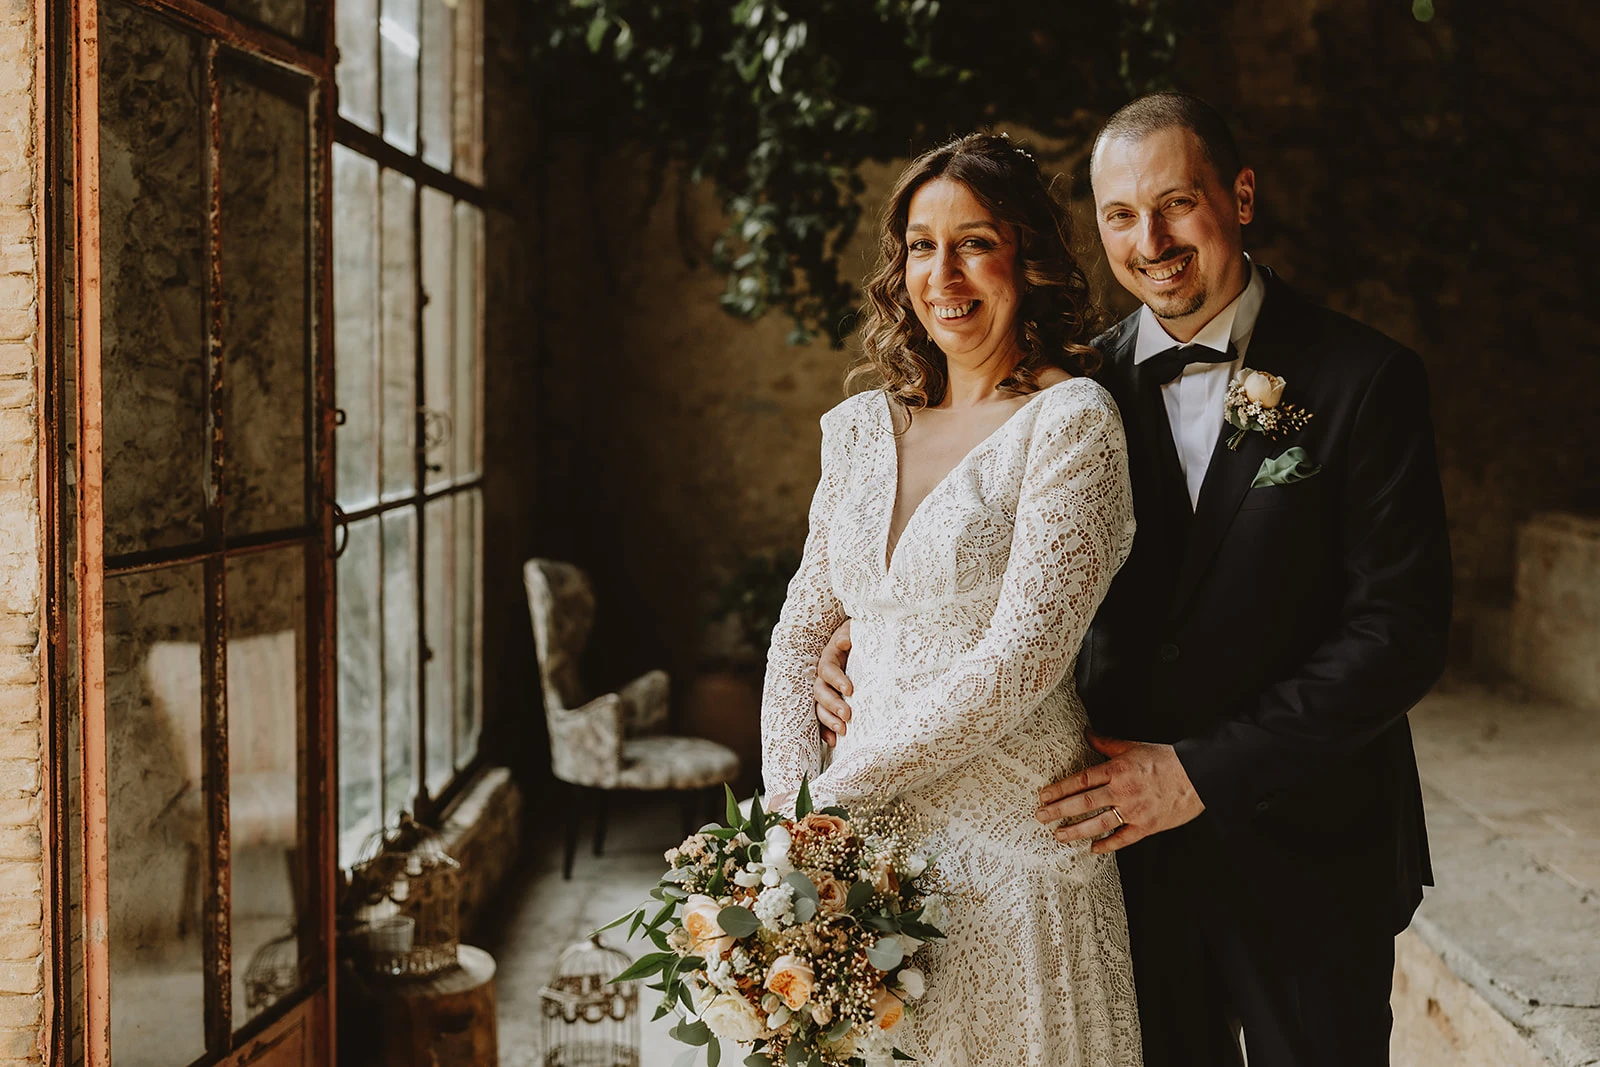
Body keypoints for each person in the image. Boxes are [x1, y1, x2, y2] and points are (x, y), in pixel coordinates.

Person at [815, 93, 1452, 1067]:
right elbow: (989, 570)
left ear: (1239, 195)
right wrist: (868, 631)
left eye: (1175, 203)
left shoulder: (1361, 379)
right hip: (1120, 861)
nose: (1150, 240)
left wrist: (1199, 771)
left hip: (1310, 848)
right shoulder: (1067, 392)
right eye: (1119, 215)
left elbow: (1396, 633)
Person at [760, 132, 1143, 1066]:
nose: (945, 272)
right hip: (859, 860)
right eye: (922, 246)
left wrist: (832, 796)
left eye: (974, 241)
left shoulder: (1072, 423)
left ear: (1028, 259)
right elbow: (798, 630)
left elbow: (1020, 662)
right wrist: (784, 821)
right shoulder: (858, 432)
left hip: (1014, 846)